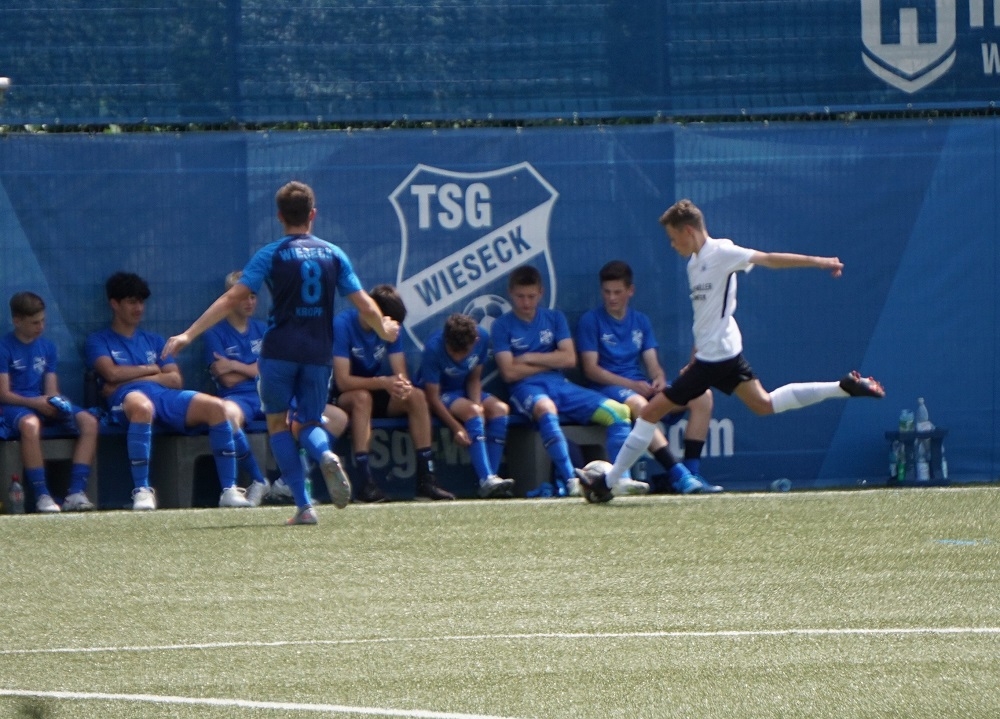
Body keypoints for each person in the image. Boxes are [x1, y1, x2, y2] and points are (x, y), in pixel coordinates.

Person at [577, 199, 885, 503]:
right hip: (719, 356)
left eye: (673, 238)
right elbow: (705, 318)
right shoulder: (693, 264)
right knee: (764, 404)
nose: (672, 245)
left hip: (716, 359)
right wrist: (695, 357)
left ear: (688, 231)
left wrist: (819, 262)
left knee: (649, 413)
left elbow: (769, 259)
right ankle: (842, 387)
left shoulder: (722, 252)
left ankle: (607, 483)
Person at [162, 180, 399, 525]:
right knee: (309, 422)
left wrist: (188, 334)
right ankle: (325, 453)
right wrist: (384, 329)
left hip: (279, 353)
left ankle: (304, 507)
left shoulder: (271, 254)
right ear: (313, 214)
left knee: (278, 423)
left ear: (279, 216)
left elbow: (231, 298)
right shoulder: (334, 254)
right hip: (318, 353)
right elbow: (363, 303)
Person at [86, 272, 252, 511]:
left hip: (163, 395)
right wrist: (153, 369)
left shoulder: (154, 340)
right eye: (132, 302)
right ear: (114, 304)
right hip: (126, 399)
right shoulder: (98, 340)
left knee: (217, 407)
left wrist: (137, 374)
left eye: (141, 302)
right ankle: (142, 491)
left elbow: (175, 379)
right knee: (143, 407)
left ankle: (229, 489)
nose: (138, 308)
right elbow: (111, 374)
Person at [491, 265, 642, 498]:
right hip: (526, 388)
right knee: (546, 408)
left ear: (541, 293)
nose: (526, 302)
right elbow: (509, 372)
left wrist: (529, 358)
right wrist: (553, 360)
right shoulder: (502, 325)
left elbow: (569, 358)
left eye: (531, 296)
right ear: (511, 294)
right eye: (520, 296)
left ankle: (621, 479)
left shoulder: (554, 318)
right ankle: (572, 480)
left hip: (561, 385)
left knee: (619, 412)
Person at [577, 260, 721, 494]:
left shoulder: (640, 321)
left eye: (617, 292)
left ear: (630, 291)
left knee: (702, 395)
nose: (611, 298)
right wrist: (632, 385)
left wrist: (658, 379)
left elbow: (652, 364)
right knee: (640, 405)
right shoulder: (590, 321)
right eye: (607, 292)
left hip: (639, 386)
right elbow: (592, 370)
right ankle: (680, 476)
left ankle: (693, 472)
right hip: (608, 390)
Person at [331, 284, 455, 502]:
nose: (394, 329)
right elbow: (342, 382)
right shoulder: (343, 324)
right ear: (375, 314)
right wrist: (383, 382)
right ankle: (365, 484)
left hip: (379, 388)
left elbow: (400, 374)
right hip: (346, 396)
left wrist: (402, 386)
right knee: (362, 398)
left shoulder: (392, 328)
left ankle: (426, 480)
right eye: (389, 323)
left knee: (416, 396)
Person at [0, 291, 98, 512]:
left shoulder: (48, 348)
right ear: (17, 321)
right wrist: (37, 403)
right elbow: (3, 394)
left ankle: (75, 492)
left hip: (40, 402)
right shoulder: (3, 348)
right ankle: (42, 495)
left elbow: (51, 390)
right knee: (30, 425)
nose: (41, 326)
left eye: (43, 320)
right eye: (35, 322)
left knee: (89, 422)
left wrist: (55, 404)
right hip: (14, 407)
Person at [415, 313, 514, 499]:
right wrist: (457, 427)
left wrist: (478, 405)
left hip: (463, 390)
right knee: (473, 411)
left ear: (475, 341)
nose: (457, 357)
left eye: (463, 352)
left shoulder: (482, 338)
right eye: (453, 352)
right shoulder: (433, 348)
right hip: (442, 393)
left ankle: (491, 480)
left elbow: (474, 379)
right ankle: (486, 479)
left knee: (500, 409)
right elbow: (432, 397)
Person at [203, 270, 269, 506]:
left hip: (268, 394)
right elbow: (227, 381)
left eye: (253, 296)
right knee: (226, 415)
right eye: (243, 297)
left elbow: (270, 371)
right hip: (237, 398)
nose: (249, 302)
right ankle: (257, 480)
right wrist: (253, 369)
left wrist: (233, 365)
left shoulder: (264, 330)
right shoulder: (214, 333)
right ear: (230, 299)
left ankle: (289, 483)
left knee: (320, 418)